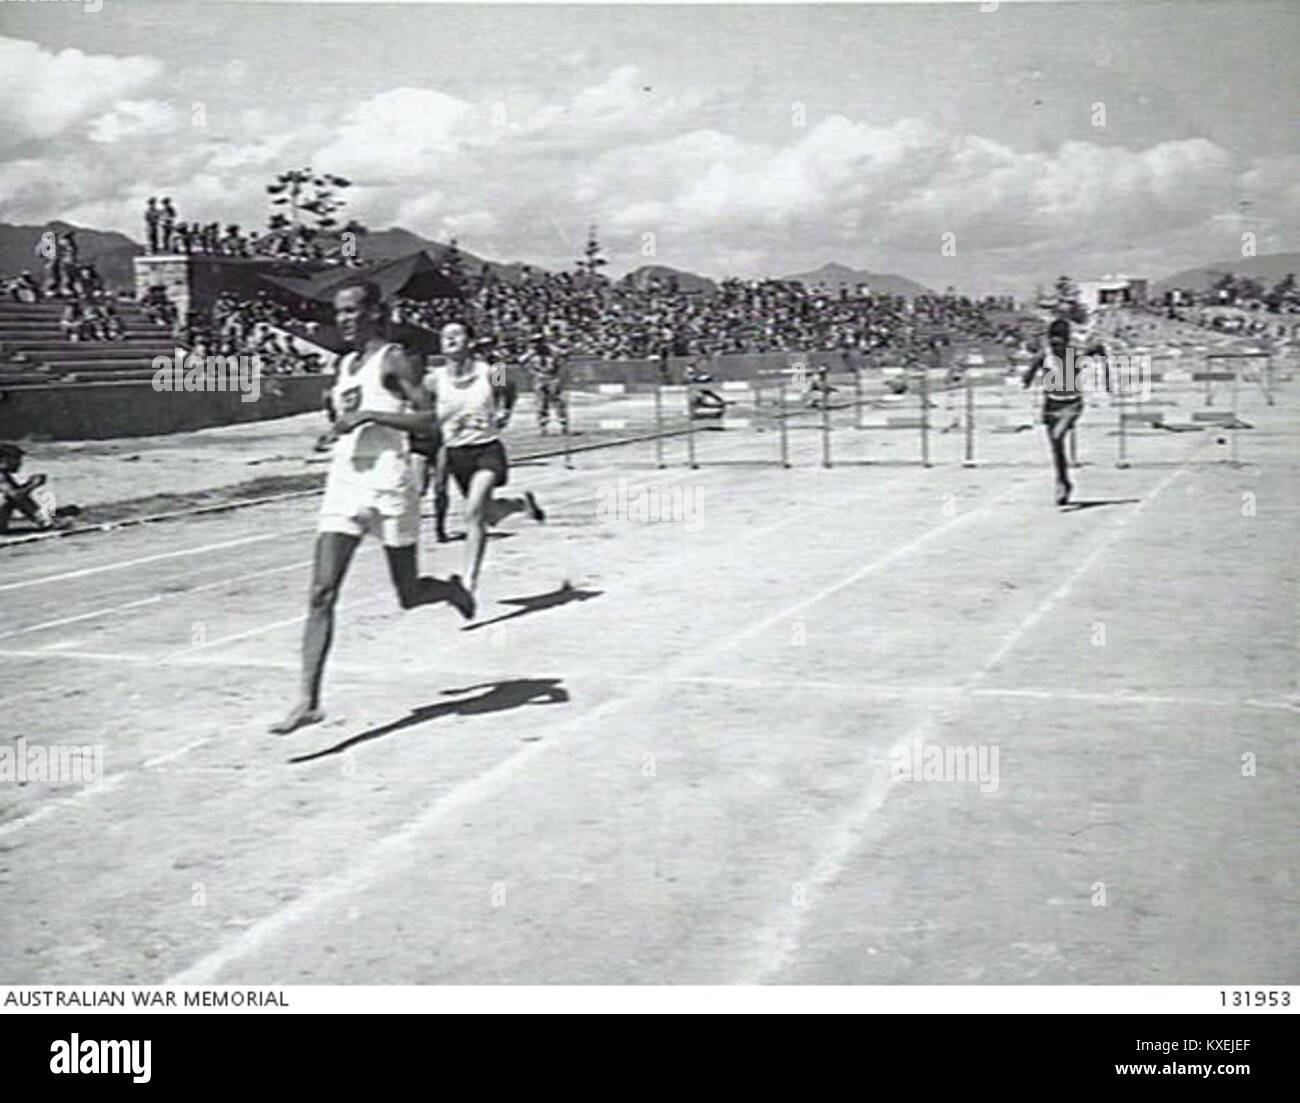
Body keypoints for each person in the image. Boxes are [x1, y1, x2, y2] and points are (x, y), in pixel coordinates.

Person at [270, 278, 473, 736]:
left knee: (408, 594)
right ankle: (308, 699)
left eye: (352, 310)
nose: (343, 319)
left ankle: (449, 590)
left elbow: (428, 420)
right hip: (346, 481)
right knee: (322, 591)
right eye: (338, 311)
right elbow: (346, 417)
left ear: (375, 313)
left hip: (389, 480)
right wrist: (335, 430)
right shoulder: (343, 365)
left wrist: (369, 416)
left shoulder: (394, 358)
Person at [424, 320, 545, 593]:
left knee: (473, 513)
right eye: (445, 336)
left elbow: (509, 390)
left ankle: (468, 580)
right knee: (487, 513)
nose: (450, 339)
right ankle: (518, 504)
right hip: (456, 454)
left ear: (469, 342)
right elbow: (420, 408)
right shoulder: (433, 379)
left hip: (487, 450)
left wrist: (505, 411)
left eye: (456, 334)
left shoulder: (492, 371)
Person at [521, 335, 569, 435]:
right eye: (534, 342)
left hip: (552, 377)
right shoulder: (532, 352)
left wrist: (559, 368)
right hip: (539, 378)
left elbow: (564, 355)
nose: (536, 344)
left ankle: (563, 424)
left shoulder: (552, 349)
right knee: (541, 403)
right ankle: (543, 426)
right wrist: (532, 370)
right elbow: (521, 361)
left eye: (538, 341)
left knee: (558, 401)